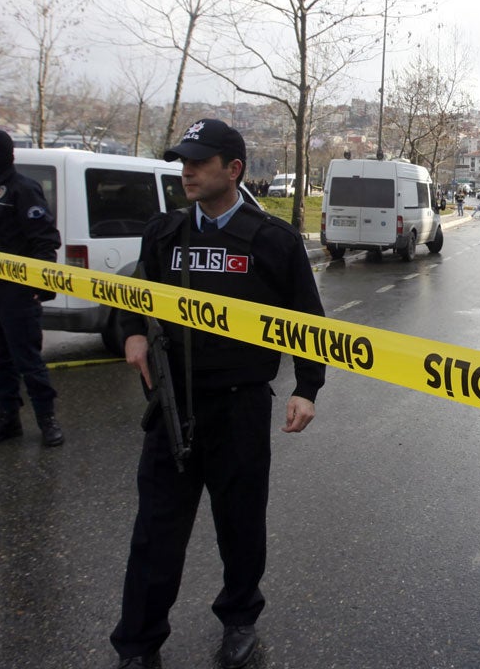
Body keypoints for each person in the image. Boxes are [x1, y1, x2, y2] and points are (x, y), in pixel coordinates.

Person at [109, 118, 326, 669]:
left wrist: (307, 387)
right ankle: (137, 645)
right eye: (183, 161)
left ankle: (238, 620)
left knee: (240, 524)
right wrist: (132, 331)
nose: (187, 171)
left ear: (233, 170)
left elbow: (308, 318)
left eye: (199, 162)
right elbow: (132, 296)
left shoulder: (271, 240)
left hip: (239, 407)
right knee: (156, 533)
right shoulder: (164, 233)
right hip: (173, 406)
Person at [0, 129, 64, 448]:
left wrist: (39, 284)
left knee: (27, 359)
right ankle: (7, 419)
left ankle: (47, 419)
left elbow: (44, 241)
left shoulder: (23, 190)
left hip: (18, 293)